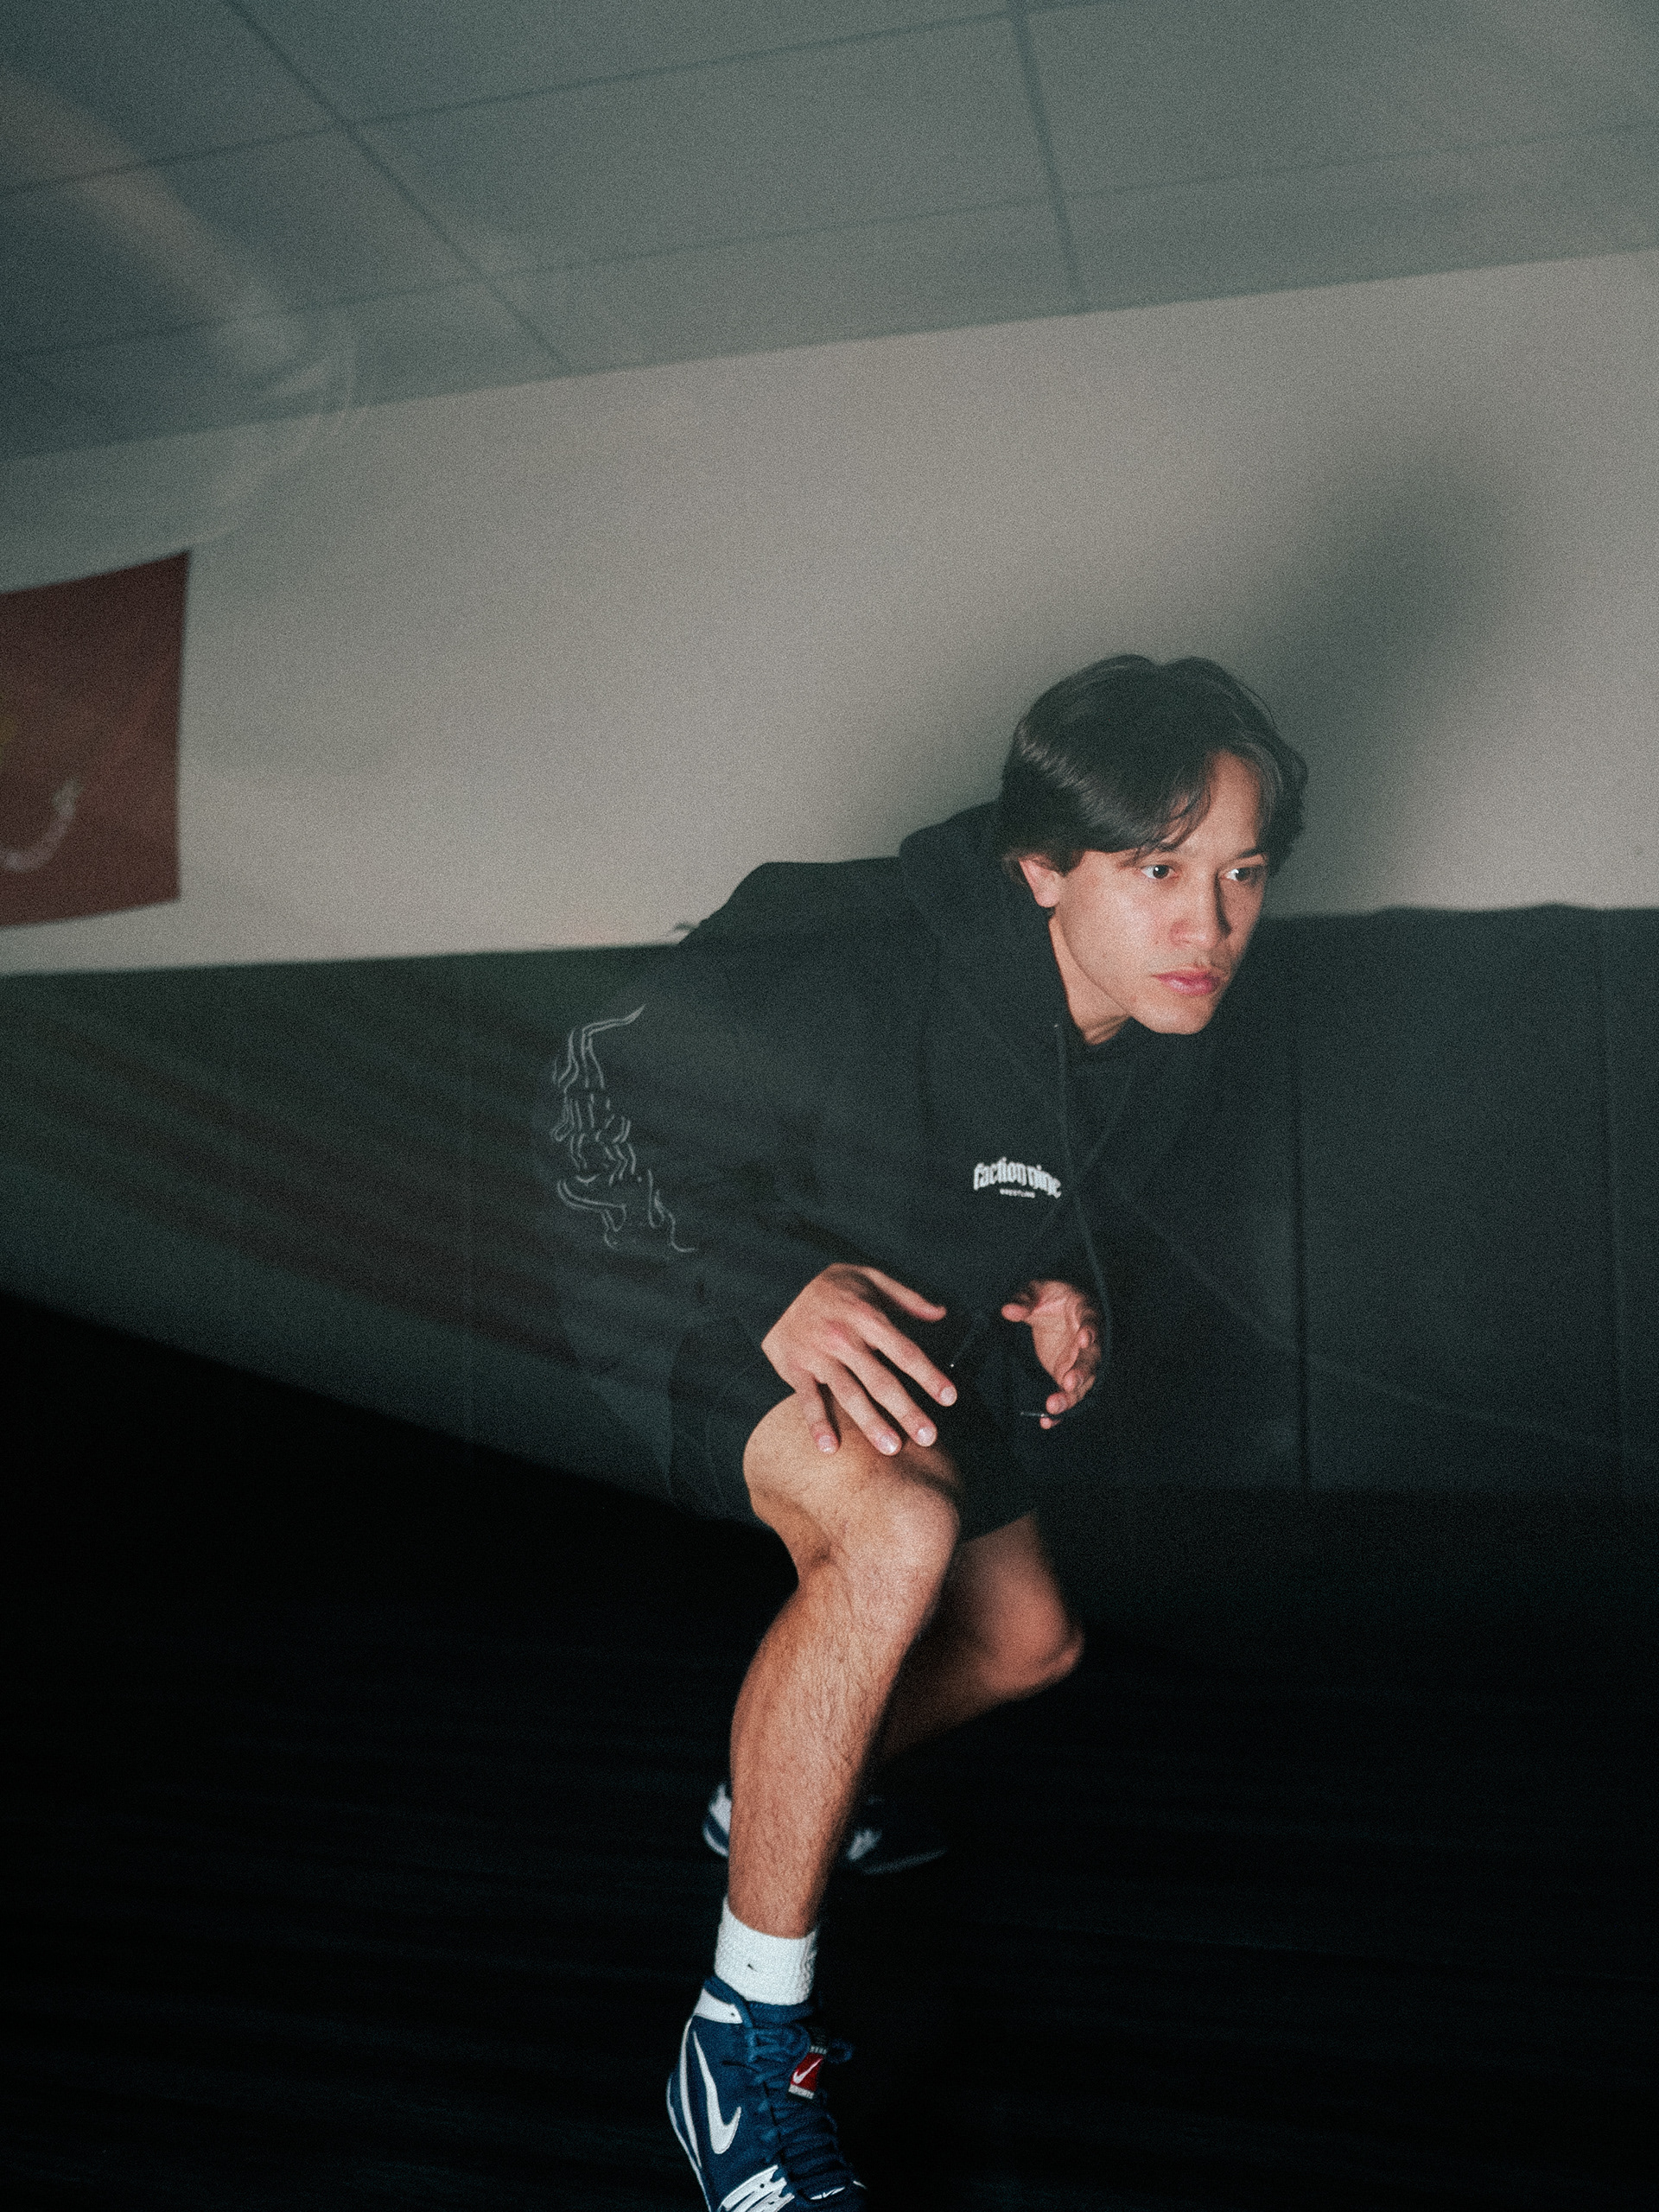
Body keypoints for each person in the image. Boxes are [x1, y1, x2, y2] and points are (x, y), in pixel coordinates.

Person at [539, 653, 1306, 2209]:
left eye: (1242, 874)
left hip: (902, 1305)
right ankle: (739, 2048)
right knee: (897, 1530)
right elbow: (587, 1096)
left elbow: (1012, 1179)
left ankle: (770, 1800)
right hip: (693, 1284)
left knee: (1027, 1644)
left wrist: (1057, 1288)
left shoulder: (1165, 1021)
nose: (1210, 925)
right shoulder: (851, 950)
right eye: (1160, 871)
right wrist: (767, 1284)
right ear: (1044, 867)